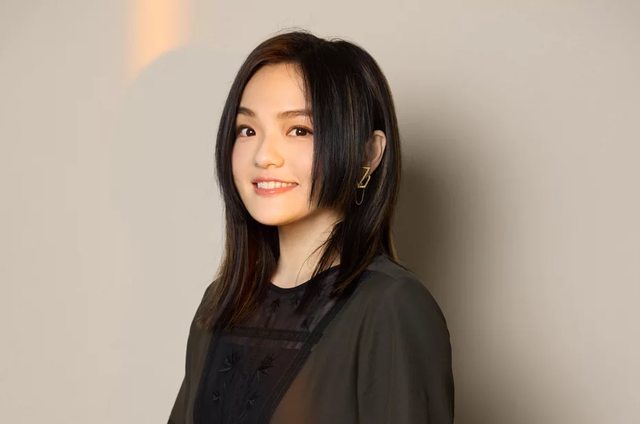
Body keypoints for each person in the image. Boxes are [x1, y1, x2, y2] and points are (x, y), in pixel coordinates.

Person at [168, 30, 454, 424]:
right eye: (247, 130)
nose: (264, 156)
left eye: (299, 130)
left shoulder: (390, 306)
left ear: (369, 154)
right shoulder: (221, 302)